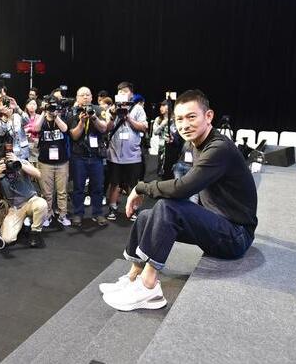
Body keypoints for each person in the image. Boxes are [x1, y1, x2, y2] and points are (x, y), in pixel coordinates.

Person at [100, 90, 257, 311]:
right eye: (179, 119)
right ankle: (134, 276)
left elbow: (183, 188)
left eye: (191, 117)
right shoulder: (197, 143)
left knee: (167, 207)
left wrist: (141, 187)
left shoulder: (219, 148)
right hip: (217, 226)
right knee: (147, 216)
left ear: (209, 116)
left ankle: (149, 287)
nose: (184, 125)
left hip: (235, 236)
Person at [0, 143, 48, 247]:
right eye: (4, 161)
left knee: (41, 204)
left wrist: (19, 163)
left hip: (30, 200)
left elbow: (38, 174)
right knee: (7, 239)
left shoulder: (19, 163)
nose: (8, 164)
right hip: (14, 208)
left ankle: (35, 232)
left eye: (8, 161)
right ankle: (23, 223)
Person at [67, 87, 111, 228]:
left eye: (87, 95)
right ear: (77, 97)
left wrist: (93, 118)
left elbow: (103, 128)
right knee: (78, 187)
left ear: (92, 97)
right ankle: (78, 214)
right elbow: (74, 135)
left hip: (96, 155)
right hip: (78, 156)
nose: (85, 97)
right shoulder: (73, 112)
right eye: (82, 95)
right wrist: (81, 122)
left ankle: (98, 213)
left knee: (98, 187)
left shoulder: (99, 110)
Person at [105, 82, 148, 222]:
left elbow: (144, 127)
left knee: (133, 185)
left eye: (125, 91)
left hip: (133, 156)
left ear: (131, 94)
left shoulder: (138, 109)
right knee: (114, 183)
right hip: (115, 155)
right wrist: (113, 115)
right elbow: (107, 128)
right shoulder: (112, 108)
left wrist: (128, 117)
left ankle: (134, 209)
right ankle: (112, 207)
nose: (122, 93)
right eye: (120, 92)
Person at [34, 96, 71, 227]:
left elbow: (65, 129)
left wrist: (55, 116)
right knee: (47, 193)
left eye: (53, 106)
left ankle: (62, 215)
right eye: (49, 106)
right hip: (45, 162)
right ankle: (47, 215)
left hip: (62, 162)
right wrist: (43, 112)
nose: (51, 109)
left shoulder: (61, 117)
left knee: (62, 192)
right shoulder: (42, 119)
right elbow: (36, 128)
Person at [0, 96, 30, 160]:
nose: (7, 106)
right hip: (8, 153)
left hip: (22, 153)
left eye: (7, 104)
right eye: (3, 104)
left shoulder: (17, 116)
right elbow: (1, 133)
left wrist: (17, 107)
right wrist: (5, 119)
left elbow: (27, 121)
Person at [23, 99, 40, 164]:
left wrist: (29, 129)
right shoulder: (23, 116)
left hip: (35, 144)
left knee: (35, 163)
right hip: (24, 143)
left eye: (34, 104)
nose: (32, 106)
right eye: (30, 104)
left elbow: (39, 129)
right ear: (26, 106)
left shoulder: (39, 117)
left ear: (36, 106)